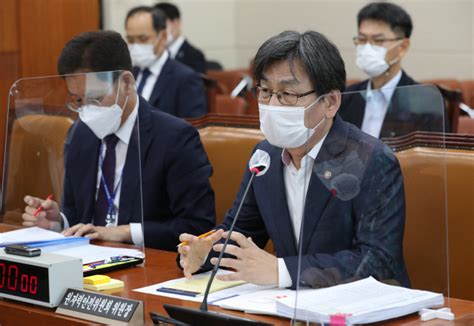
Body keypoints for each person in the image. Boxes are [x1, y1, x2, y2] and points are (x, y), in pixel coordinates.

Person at [178, 30, 410, 289]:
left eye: (288, 94)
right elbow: (241, 233)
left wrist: (282, 270)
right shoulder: (265, 156)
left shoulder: (372, 160)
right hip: (289, 305)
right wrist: (206, 253)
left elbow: (378, 261)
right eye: (265, 91)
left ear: (330, 103)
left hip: (363, 308)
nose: (272, 105)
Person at [22, 30, 215, 251]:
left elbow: (198, 226)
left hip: (147, 264)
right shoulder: (80, 135)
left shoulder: (175, 138)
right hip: (87, 262)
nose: (87, 109)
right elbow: (78, 215)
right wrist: (58, 222)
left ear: (126, 83)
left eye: (95, 98)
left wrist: (125, 232)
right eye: (79, 100)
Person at [339, 2, 445, 138]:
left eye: (378, 40)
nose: (367, 48)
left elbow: (433, 156)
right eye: (362, 39)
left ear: (402, 47)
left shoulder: (425, 101)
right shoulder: (347, 96)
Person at [125, 6, 207, 118]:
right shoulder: (128, 75)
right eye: (130, 40)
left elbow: (192, 129)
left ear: (163, 36)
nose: (136, 46)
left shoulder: (186, 78)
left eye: (143, 39)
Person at [154, 2, 207, 74]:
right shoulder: (153, 53)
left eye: (162, 25)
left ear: (176, 23)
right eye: (155, 26)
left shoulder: (194, 55)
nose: (159, 30)